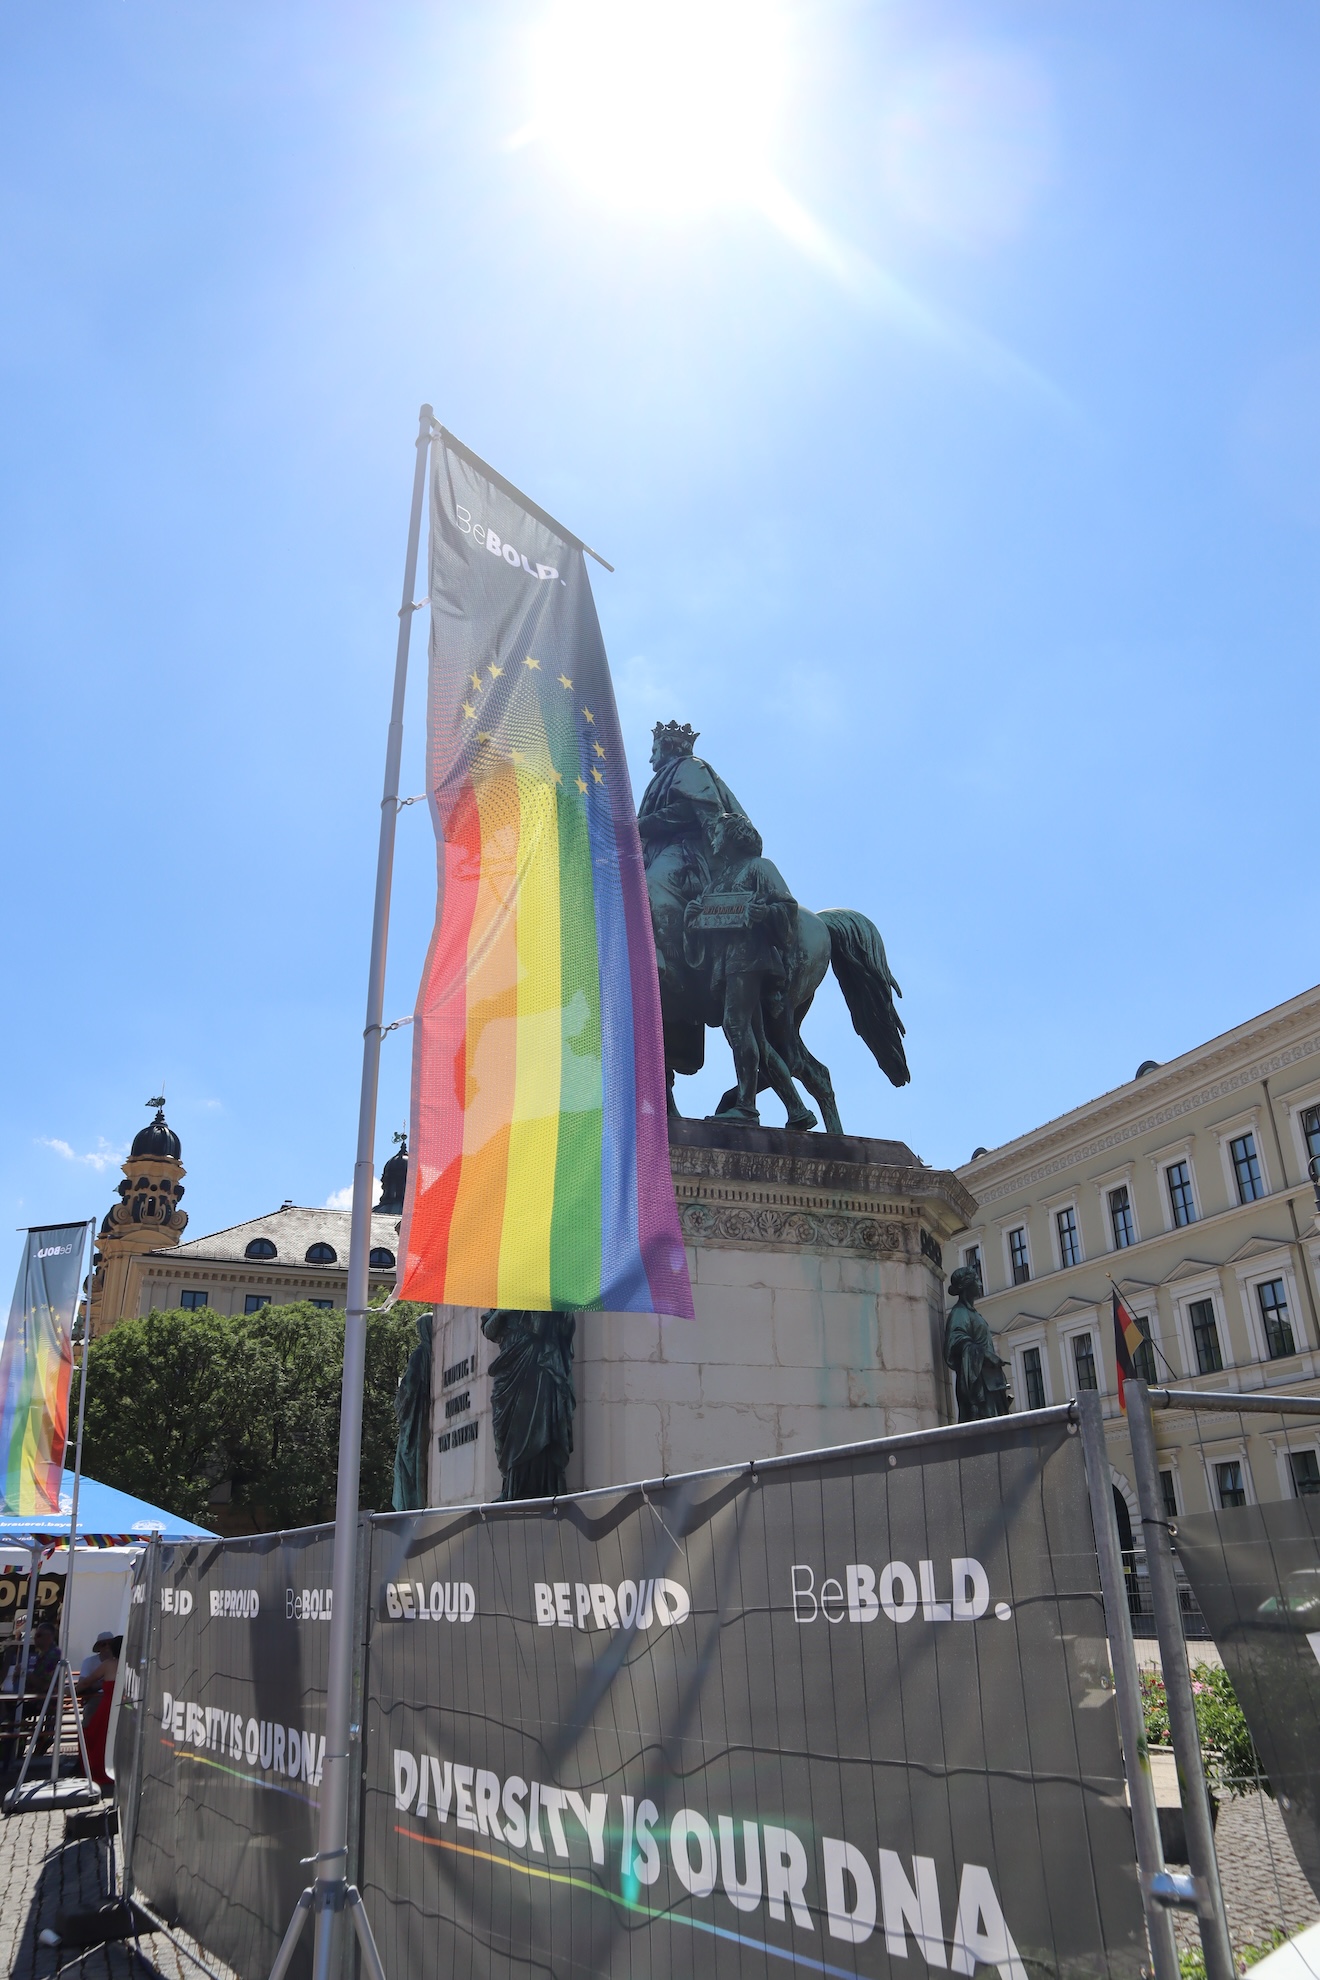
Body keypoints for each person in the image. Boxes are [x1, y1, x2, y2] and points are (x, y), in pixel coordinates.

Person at [684, 812, 816, 1129]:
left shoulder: (759, 867)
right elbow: (708, 923)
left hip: (749, 957)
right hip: (728, 962)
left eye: (718, 833)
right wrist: (692, 918)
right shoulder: (719, 880)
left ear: (733, 836)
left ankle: (746, 1107)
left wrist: (765, 913)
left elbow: (787, 906)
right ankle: (798, 1110)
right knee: (757, 1039)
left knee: (736, 1026)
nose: (713, 839)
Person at [944, 1266, 1012, 1420]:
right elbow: (955, 1341)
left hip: (990, 1381)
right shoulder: (959, 1313)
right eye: (976, 1280)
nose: (980, 1284)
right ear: (967, 1285)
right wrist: (985, 1355)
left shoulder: (973, 1314)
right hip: (977, 1383)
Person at [76, 1633, 121, 1788]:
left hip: (108, 1707)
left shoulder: (109, 1664)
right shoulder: (133, 1664)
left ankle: (99, 1771)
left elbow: (86, 1682)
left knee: (97, 1737)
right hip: (127, 1706)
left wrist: (71, 1690)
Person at [79, 1631, 116, 1727]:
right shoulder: (89, 1661)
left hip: (114, 1698)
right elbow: (83, 1683)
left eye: (110, 1643)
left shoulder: (118, 1661)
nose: (107, 1647)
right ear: (99, 1647)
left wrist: (97, 1684)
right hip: (94, 1698)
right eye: (103, 1644)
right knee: (90, 1714)